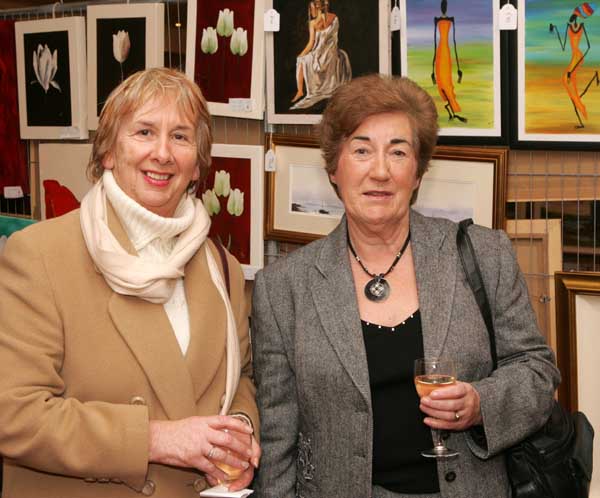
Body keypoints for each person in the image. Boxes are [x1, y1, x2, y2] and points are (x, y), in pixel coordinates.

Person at [251, 74, 559, 498]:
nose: (380, 171)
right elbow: (276, 436)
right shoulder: (283, 288)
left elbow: (537, 372)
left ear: (417, 173)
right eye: (361, 150)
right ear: (334, 169)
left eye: (398, 152)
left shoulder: (484, 255)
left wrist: (479, 403)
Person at [0, 68, 260, 498]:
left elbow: (242, 378)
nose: (162, 153)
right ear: (107, 152)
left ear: (197, 164)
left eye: (180, 137)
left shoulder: (222, 267)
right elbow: (14, 413)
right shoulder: (41, 255)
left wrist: (238, 435)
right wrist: (156, 440)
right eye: (143, 132)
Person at [290, 0, 352, 110]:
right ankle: (300, 91)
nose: (310, 11)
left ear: (317, 8)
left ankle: (300, 91)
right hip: (331, 53)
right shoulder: (334, 18)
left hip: (322, 54)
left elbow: (311, 43)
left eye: (311, 8)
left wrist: (300, 55)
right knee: (304, 59)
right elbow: (333, 38)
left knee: (301, 60)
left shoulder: (313, 23)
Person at [549, 2, 599, 128]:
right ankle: (580, 104)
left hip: (579, 57)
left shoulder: (582, 26)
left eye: (574, 14)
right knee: (568, 82)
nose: (572, 17)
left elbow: (588, 47)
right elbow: (564, 46)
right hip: (573, 56)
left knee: (567, 79)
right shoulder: (568, 26)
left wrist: (574, 68)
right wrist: (554, 29)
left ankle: (579, 105)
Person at [432, 0, 466, 123]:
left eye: (444, 6)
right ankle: (450, 106)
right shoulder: (444, 20)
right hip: (442, 50)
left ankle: (451, 106)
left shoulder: (444, 20)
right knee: (442, 78)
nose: (444, 8)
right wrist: (432, 68)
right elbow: (437, 41)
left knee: (446, 79)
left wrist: (458, 68)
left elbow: (454, 41)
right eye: (443, 6)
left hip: (444, 50)